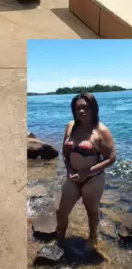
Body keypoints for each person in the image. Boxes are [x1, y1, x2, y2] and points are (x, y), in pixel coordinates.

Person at [56, 92, 116, 251]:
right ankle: (60, 238)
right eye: (78, 108)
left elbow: (111, 158)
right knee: (61, 211)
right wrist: (69, 169)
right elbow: (65, 153)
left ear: (94, 108)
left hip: (93, 179)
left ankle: (93, 238)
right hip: (73, 178)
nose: (82, 111)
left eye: (86, 107)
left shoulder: (101, 130)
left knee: (92, 211)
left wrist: (87, 173)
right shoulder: (70, 127)